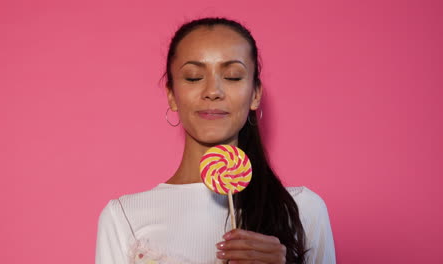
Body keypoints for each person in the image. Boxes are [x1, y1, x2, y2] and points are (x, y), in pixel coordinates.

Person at [95, 17, 336, 264]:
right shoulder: (125, 217)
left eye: (232, 76)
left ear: (255, 94)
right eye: (193, 77)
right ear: (172, 96)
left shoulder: (302, 209)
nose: (213, 91)